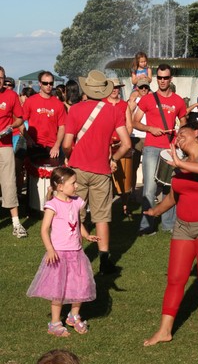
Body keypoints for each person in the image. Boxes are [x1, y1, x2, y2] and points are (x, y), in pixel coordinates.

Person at [143, 121, 198, 346]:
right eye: (176, 135)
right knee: (175, 279)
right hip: (183, 227)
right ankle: (164, 331)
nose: (178, 137)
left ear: (196, 133)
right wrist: (155, 211)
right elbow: (174, 196)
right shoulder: (180, 163)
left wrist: (182, 164)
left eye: (183, 133)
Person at [62, 70, 131, 274]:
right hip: (101, 170)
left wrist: (70, 154)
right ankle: (104, 260)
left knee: (75, 215)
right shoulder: (114, 111)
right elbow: (126, 144)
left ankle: (72, 258)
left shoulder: (74, 110)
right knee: (101, 218)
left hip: (77, 169)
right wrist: (113, 159)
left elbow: (67, 143)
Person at [27, 167, 98, 337]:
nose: (76, 186)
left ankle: (73, 316)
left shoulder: (76, 201)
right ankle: (55, 323)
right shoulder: (53, 205)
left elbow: (77, 223)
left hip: (77, 253)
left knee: (80, 285)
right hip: (59, 254)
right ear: (60, 186)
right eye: (73, 183)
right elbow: (44, 230)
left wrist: (86, 235)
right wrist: (50, 249)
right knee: (58, 289)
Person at [132, 63, 187, 235]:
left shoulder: (178, 100)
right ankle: (146, 225)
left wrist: (179, 137)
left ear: (171, 79)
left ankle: (168, 224)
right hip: (151, 148)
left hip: (170, 149)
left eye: (165, 78)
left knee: (169, 187)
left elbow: (184, 122)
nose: (162, 81)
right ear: (156, 79)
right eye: (159, 78)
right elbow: (135, 121)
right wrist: (150, 129)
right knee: (149, 187)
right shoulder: (148, 99)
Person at [0, 66, 27, 238]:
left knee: (9, 183)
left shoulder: (11, 95)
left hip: (4, 145)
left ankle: (16, 224)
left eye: (1, 77)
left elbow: (20, 118)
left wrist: (11, 127)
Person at [22, 70, 66, 166]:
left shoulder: (59, 104)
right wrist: (28, 138)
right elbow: (20, 122)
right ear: (40, 84)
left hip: (52, 146)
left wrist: (57, 145)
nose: (48, 85)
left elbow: (62, 127)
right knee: (33, 174)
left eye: (51, 83)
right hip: (34, 144)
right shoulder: (30, 101)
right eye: (45, 83)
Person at [103, 77, 133, 216]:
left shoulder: (124, 105)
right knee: (105, 179)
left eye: (117, 87)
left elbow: (129, 126)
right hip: (104, 146)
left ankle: (125, 205)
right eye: (112, 87)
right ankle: (105, 206)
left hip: (121, 146)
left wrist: (123, 140)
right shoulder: (102, 103)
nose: (115, 90)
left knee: (124, 178)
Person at [128, 78, 151, 197]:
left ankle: (148, 193)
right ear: (137, 88)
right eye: (141, 87)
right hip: (135, 136)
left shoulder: (152, 100)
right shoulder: (133, 101)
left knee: (149, 166)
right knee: (134, 166)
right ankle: (131, 191)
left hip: (148, 136)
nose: (143, 89)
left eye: (146, 87)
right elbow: (127, 118)